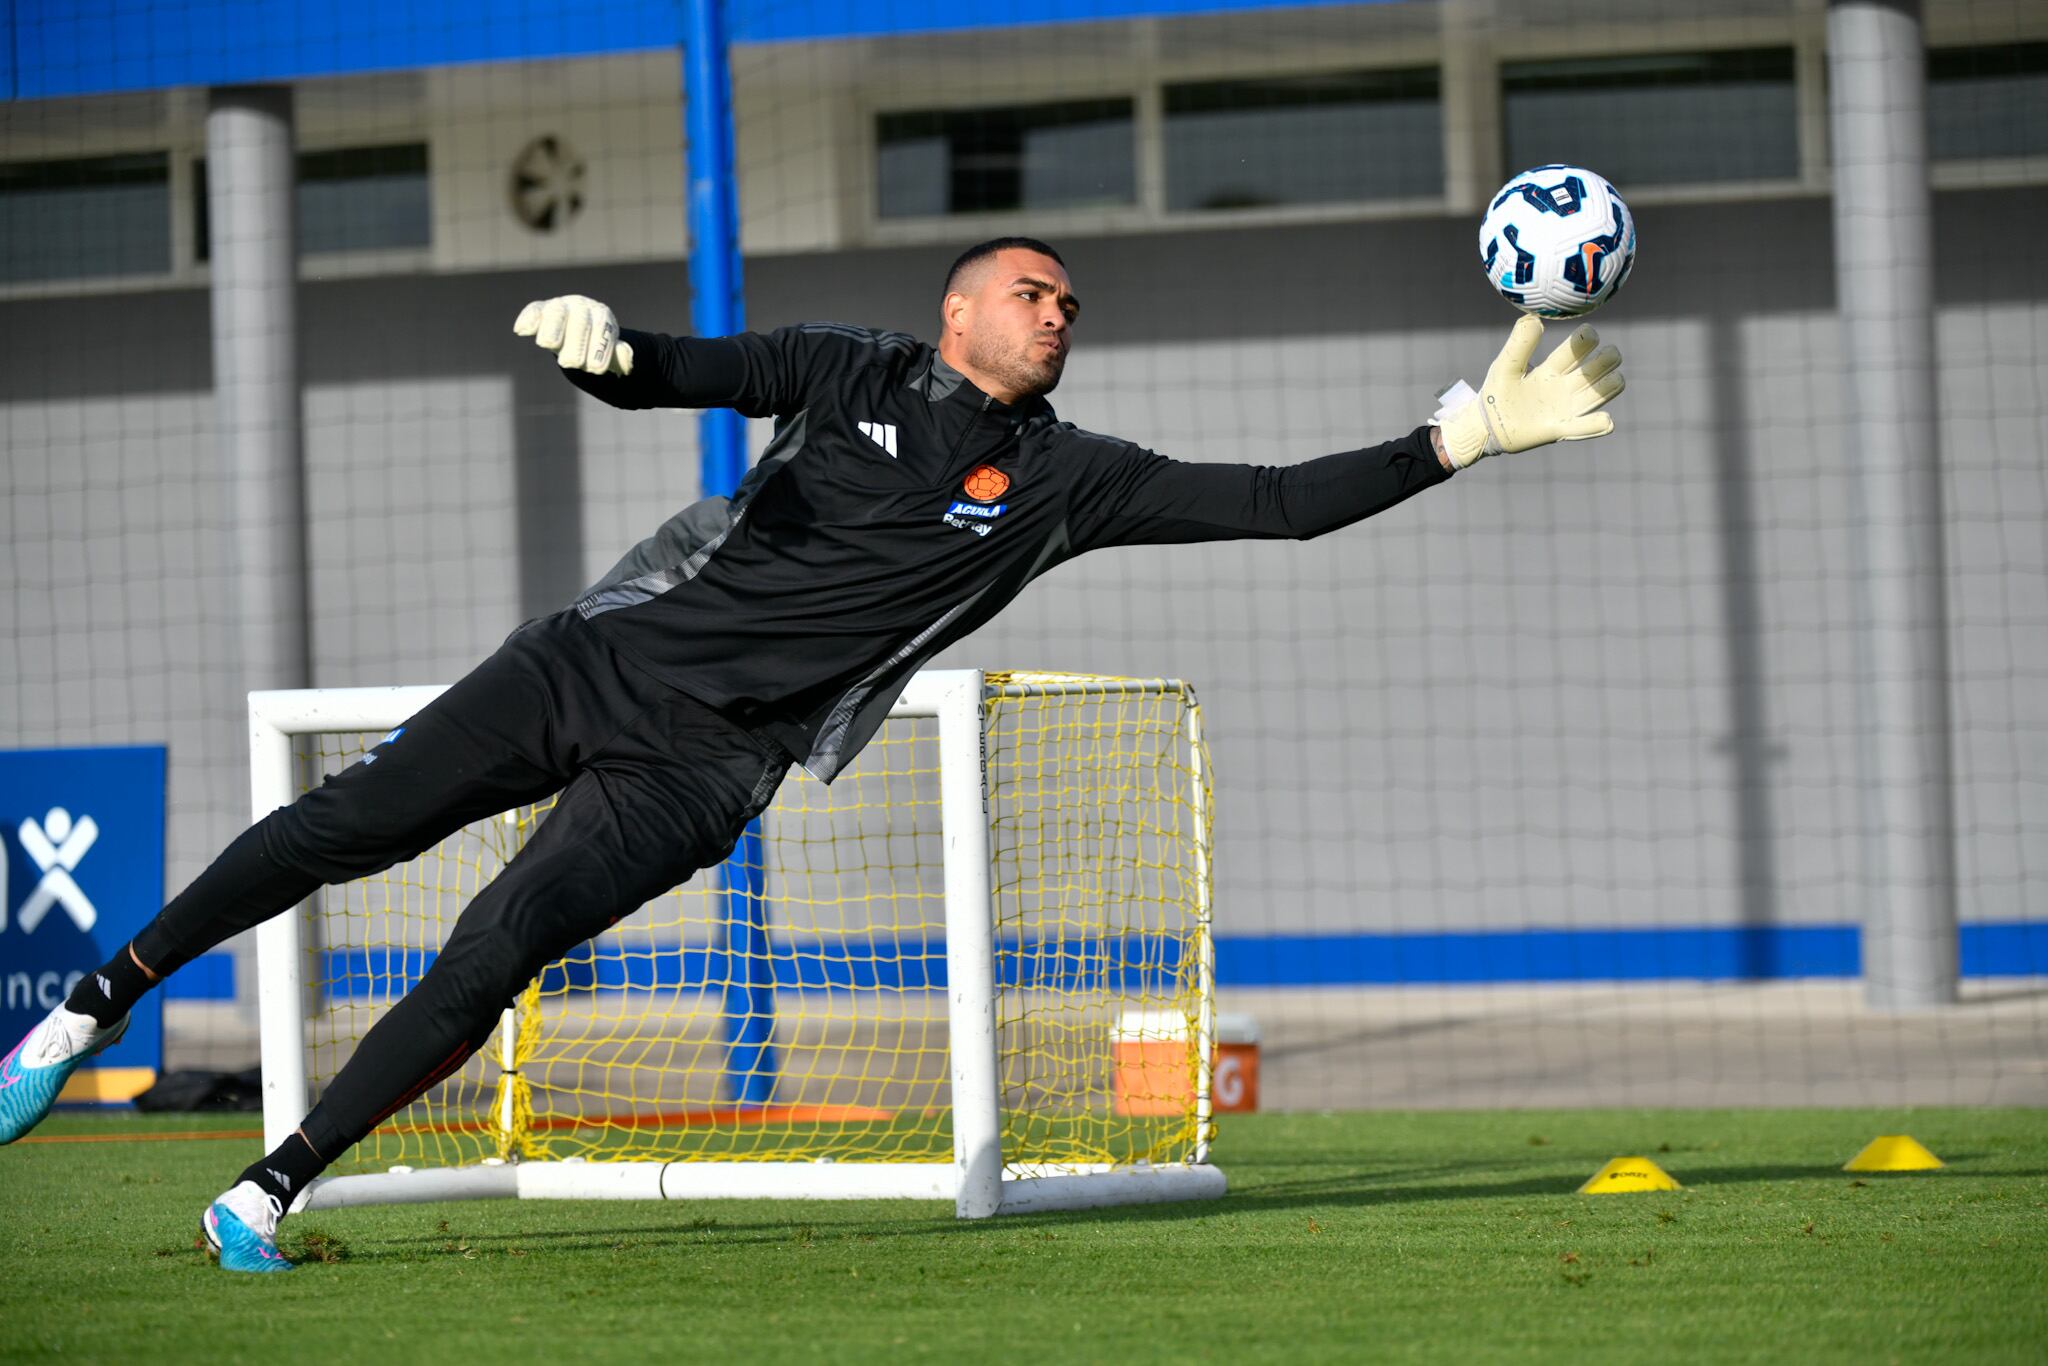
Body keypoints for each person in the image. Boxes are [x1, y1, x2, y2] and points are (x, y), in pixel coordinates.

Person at [0, 236, 1623, 1271]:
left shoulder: (1070, 481)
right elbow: (683, 374)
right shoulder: (848, 370)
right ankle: (88, 1007)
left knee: (493, 950)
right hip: (590, 665)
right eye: (1035, 291)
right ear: (960, 310)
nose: (1060, 315)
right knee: (350, 823)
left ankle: (269, 1191)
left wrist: (1452, 443)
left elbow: (1268, 501)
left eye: (1072, 304)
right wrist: (605, 346)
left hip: (705, 777)